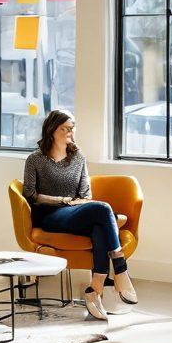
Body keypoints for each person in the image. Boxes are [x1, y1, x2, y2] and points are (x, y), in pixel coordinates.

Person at [22, 109, 136, 321]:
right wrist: (59, 200)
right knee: (103, 209)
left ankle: (95, 289)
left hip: (73, 211)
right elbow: (29, 194)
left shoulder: (78, 157)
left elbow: (86, 194)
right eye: (64, 128)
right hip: (48, 215)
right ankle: (119, 270)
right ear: (51, 130)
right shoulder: (35, 159)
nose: (69, 132)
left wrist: (74, 203)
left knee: (98, 226)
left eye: (71, 128)